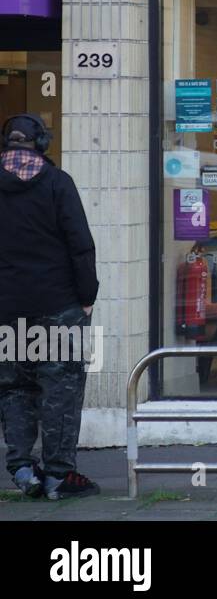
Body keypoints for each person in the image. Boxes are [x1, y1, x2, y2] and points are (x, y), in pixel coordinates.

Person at [0, 113, 100, 500]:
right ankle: (59, 474)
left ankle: (23, 468)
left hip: (6, 307)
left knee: (13, 388)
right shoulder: (58, 184)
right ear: (41, 143)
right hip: (58, 304)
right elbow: (80, 245)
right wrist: (87, 296)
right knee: (62, 387)